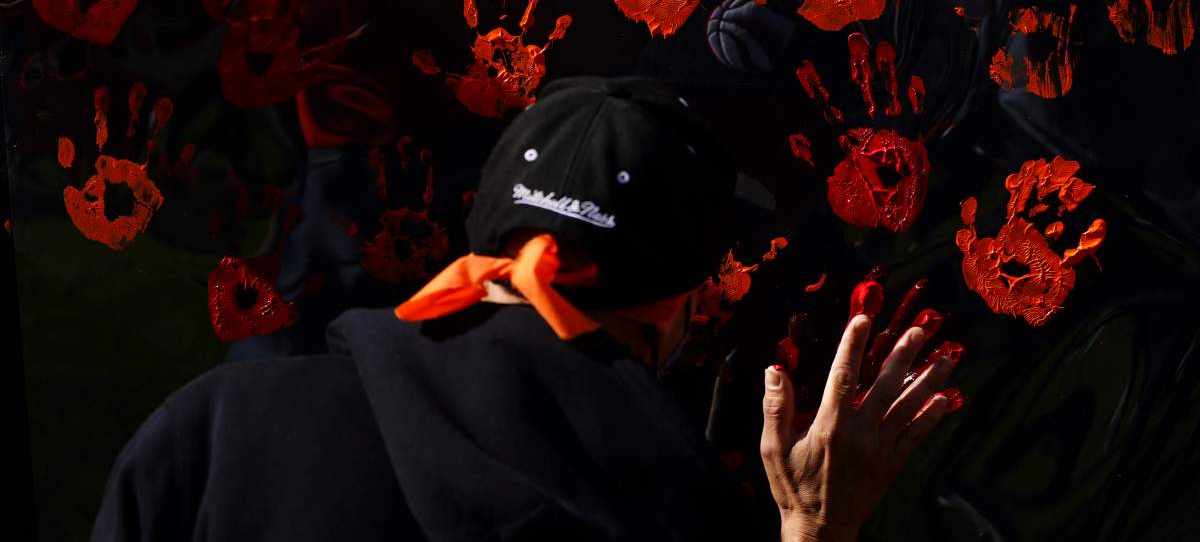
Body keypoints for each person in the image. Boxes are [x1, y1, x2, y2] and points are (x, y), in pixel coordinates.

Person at [91, 76, 958, 542]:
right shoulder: (679, 518)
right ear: (683, 310)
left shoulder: (214, 427)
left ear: (481, 246)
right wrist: (814, 528)